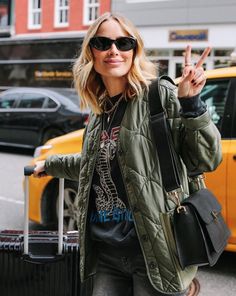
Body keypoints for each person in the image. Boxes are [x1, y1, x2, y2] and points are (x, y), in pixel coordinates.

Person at [33, 12, 222, 296]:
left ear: (135, 50)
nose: (114, 51)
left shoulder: (159, 95)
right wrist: (51, 165)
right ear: (91, 52)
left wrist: (192, 104)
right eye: (103, 42)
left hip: (153, 251)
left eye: (124, 43)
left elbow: (208, 159)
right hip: (107, 251)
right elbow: (95, 165)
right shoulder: (100, 112)